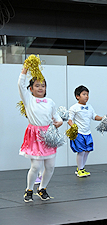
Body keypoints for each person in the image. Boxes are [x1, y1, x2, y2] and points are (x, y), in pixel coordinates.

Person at [19, 67, 63, 202]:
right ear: (30, 89)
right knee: (36, 166)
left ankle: (42, 188)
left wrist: (59, 122)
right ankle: (29, 190)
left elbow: (56, 117)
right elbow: (20, 85)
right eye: (37, 85)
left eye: (43, 86)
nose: (40, 88)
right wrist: (24, 70)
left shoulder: (50, 102)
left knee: (50, 166)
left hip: (48, 136)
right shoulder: (28, 99)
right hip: (35, 136)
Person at [68, 85, 103, 178]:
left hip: (87, 133)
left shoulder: (89, 107)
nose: (86, 96)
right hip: (79, 133)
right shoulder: (74, 108)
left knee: (87, 151)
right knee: (81, 151)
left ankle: (81, 167)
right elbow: (69, 120)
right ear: (77, 96)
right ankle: (80, 170)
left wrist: (103, 118)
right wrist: (73, 126)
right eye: (84, 94)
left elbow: (94, 116)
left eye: (87, 94)